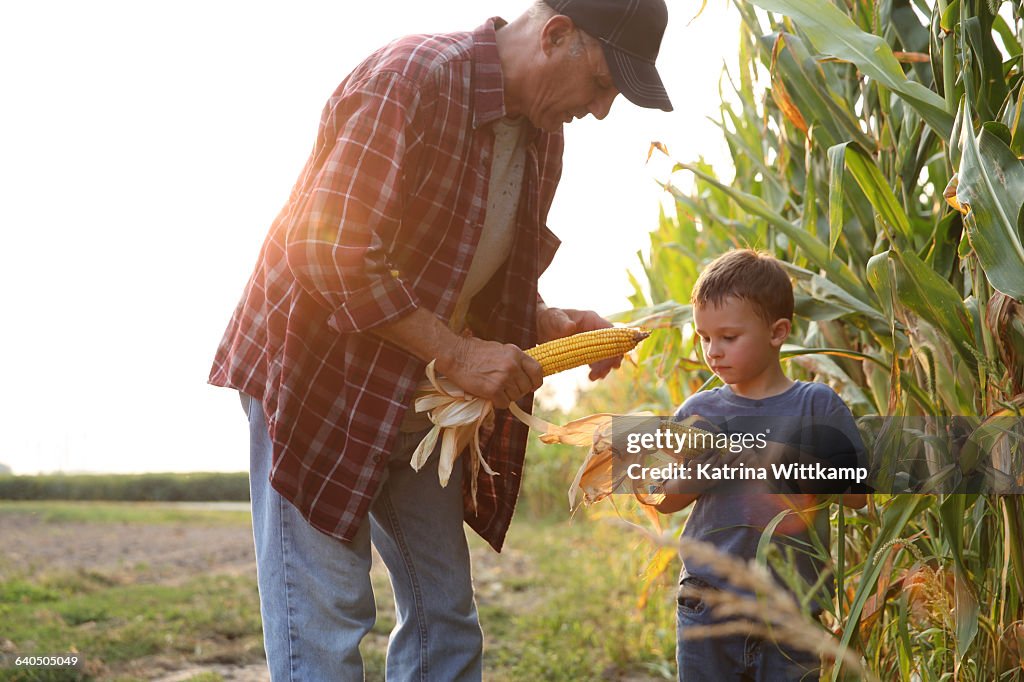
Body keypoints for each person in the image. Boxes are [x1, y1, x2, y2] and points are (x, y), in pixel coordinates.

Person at [208, 0, 673, 678]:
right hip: (318, 370)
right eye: (603, 84)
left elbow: (467, 274)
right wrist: (456, 353)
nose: (602, 110)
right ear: (555, 35)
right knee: (329, 617)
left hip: (417, 388)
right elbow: (327, 251)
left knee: (444, 614)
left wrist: (549, 322)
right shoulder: (412, 78)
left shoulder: (544, 133)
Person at [654, 249, 869, 681]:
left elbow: (858, 495)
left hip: (792, 608)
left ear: (778, 333)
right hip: (708, 603)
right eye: (703, 337)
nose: (713, 351)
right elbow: (664, 498)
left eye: (728, 337)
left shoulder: (816, 405)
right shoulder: (699, 412)